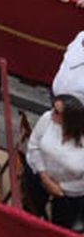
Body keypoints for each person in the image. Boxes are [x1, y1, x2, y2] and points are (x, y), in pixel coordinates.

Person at [20, 94, 84, 228]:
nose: (51, 113)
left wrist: (61, 188)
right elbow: (34, 146)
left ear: (70, 119)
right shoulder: (47, 118)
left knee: (62, 226)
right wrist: (45, 178)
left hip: (70, 191)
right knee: (30, 212)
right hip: (39, 174)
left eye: (57, 112)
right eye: (53, 108)